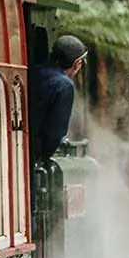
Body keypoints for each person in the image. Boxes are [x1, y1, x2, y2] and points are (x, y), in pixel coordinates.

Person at [28, 27, 85, 167]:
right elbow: (55, 131)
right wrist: (43, 158)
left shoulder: (33, 71)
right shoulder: (64, 86)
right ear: (76, 64)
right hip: (34, 154)